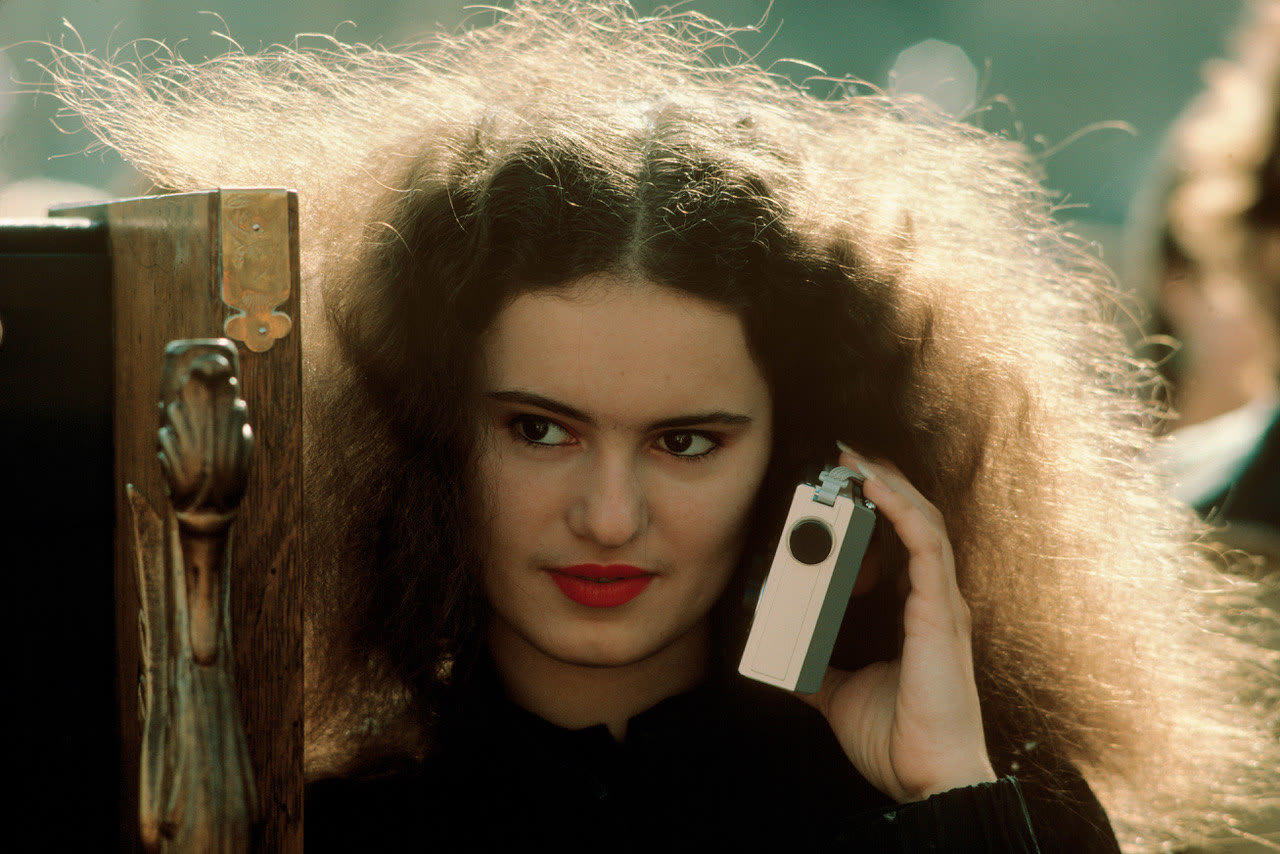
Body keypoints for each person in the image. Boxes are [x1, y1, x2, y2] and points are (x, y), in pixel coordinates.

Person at [46, 2, 1279, 851]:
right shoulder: (310, 817)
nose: (608, 513)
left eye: (686, 441)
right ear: (414, 433)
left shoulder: (973, 802)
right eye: (539, 428)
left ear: (808, 464)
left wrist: (950, 795)